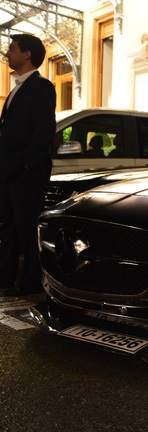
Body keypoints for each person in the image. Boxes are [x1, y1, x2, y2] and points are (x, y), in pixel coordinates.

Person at [0, 34, 56, 296]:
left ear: (27, 54)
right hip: (8, 171)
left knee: (26, 229)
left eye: (12, 49)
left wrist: (26, 165)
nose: (7, 53)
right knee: (8, 228)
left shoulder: (41, 86)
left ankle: (31, 282)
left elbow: (44, 131)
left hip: (24, 173)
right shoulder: (16, 88)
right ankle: (5, 278)